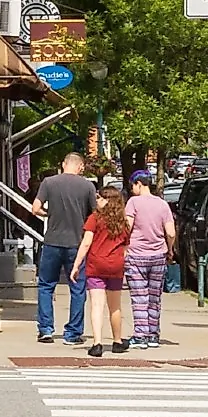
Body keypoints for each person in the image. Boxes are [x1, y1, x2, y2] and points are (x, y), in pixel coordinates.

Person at [29, 152, 97, 345]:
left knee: (45, 285)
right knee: (77, 288)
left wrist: (48, 214)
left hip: (52, 241)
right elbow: (95, 215)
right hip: (76, 243)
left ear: (63, 164)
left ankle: (46, 329)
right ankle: (73, 333)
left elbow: (35, 208)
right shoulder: (87, 186)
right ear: (80, 166)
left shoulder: (49, 183)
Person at [72, 179, 133, 357]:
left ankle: (97, 343)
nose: (96, 200)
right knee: (115, 306)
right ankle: (117, 341)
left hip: (96, 264)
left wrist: (76, 265)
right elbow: (125, 247)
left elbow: (86, 243)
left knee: (97, 305)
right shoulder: (123, 222)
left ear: (107, 200)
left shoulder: (94, 219)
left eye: (99, 198)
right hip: (115, 266)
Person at [124, 170, 177, 348]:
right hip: (158, 255)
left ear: (139, 184)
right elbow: (170, 232)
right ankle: (153, 335)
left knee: (139, 297)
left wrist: (124, 246)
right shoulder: (162, 205)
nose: (132, 190)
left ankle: (140, 335)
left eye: (133, 186)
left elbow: (127, 227)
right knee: (155, 297)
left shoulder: (133, 203)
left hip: (136, 255)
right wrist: (169, 250)